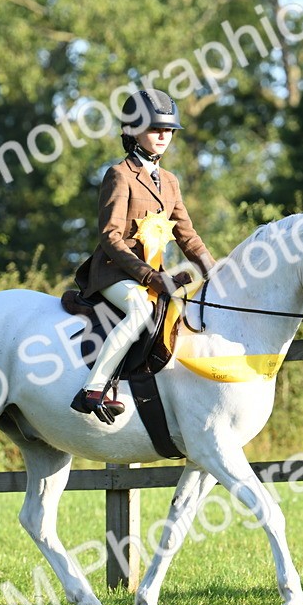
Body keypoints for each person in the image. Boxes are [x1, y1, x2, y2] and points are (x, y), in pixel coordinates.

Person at [71, 89, 216, 423]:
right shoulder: (119, 175)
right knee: (141, 310)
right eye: (155, 128)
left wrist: (213, 269)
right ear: (131, 131)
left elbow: (186, 234)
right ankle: (92, 390)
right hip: (115, 274)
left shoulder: (170, 182)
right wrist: (150, 277)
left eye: (168, 130)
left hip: (155, 275)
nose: (163, 135)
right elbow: (109, 237)